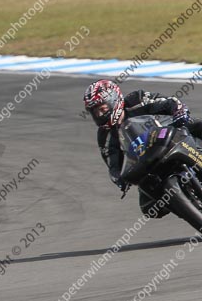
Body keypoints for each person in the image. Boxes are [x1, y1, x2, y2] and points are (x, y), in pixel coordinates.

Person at [83, 79, 202, 217]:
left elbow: (169, 102)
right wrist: (120, 180)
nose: (98, 115)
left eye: (102, 109)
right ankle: (188, 209)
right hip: (147, 164)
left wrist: (179, 111)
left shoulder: (136, 100)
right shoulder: (105, 135)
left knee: (197, 125)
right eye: (94, 112)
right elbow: (113, 164)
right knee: (149, 208)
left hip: (170, 134)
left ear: (113, 100)